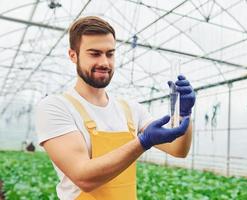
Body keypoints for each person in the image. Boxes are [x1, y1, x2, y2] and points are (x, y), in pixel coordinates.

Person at [35, 16, 196, 200]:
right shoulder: (56, 107)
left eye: (110, 53)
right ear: (73, 55)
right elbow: (83, 177)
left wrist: (184, 114)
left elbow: (178, 150)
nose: (104, 62)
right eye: (94, 53)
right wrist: (142, 142)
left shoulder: (130, 109)